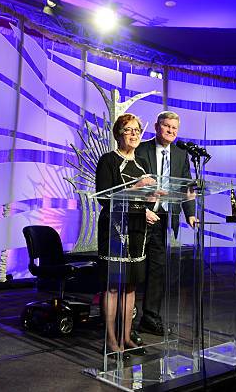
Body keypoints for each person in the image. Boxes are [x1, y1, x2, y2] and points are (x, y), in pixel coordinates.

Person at [96, 113, 158, 356]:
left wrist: (152, 200)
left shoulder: (143, 164)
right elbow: (104, 198)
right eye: (128, 130)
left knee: (131, 287)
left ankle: (126, 337)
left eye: (137, 130)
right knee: (113, 287)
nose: (134, 134)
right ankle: (111, 340)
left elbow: (144, 198)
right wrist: (137, 189)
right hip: (114, 230)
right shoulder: (108, 161)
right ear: (118, 134)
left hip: (137, 232)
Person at [135, 111, 198, 336]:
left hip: (163, 218)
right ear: (156, 126)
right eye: (167, 126)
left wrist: (190, 213)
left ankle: (150, 317)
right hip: (139, 216)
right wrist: (141, 209)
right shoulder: (141, 149)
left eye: (174, 128)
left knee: (158, 269)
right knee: (136, 268)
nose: (171, 131)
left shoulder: (182, 154)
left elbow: (187, 187)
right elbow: (131, 183)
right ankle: (127, 314)